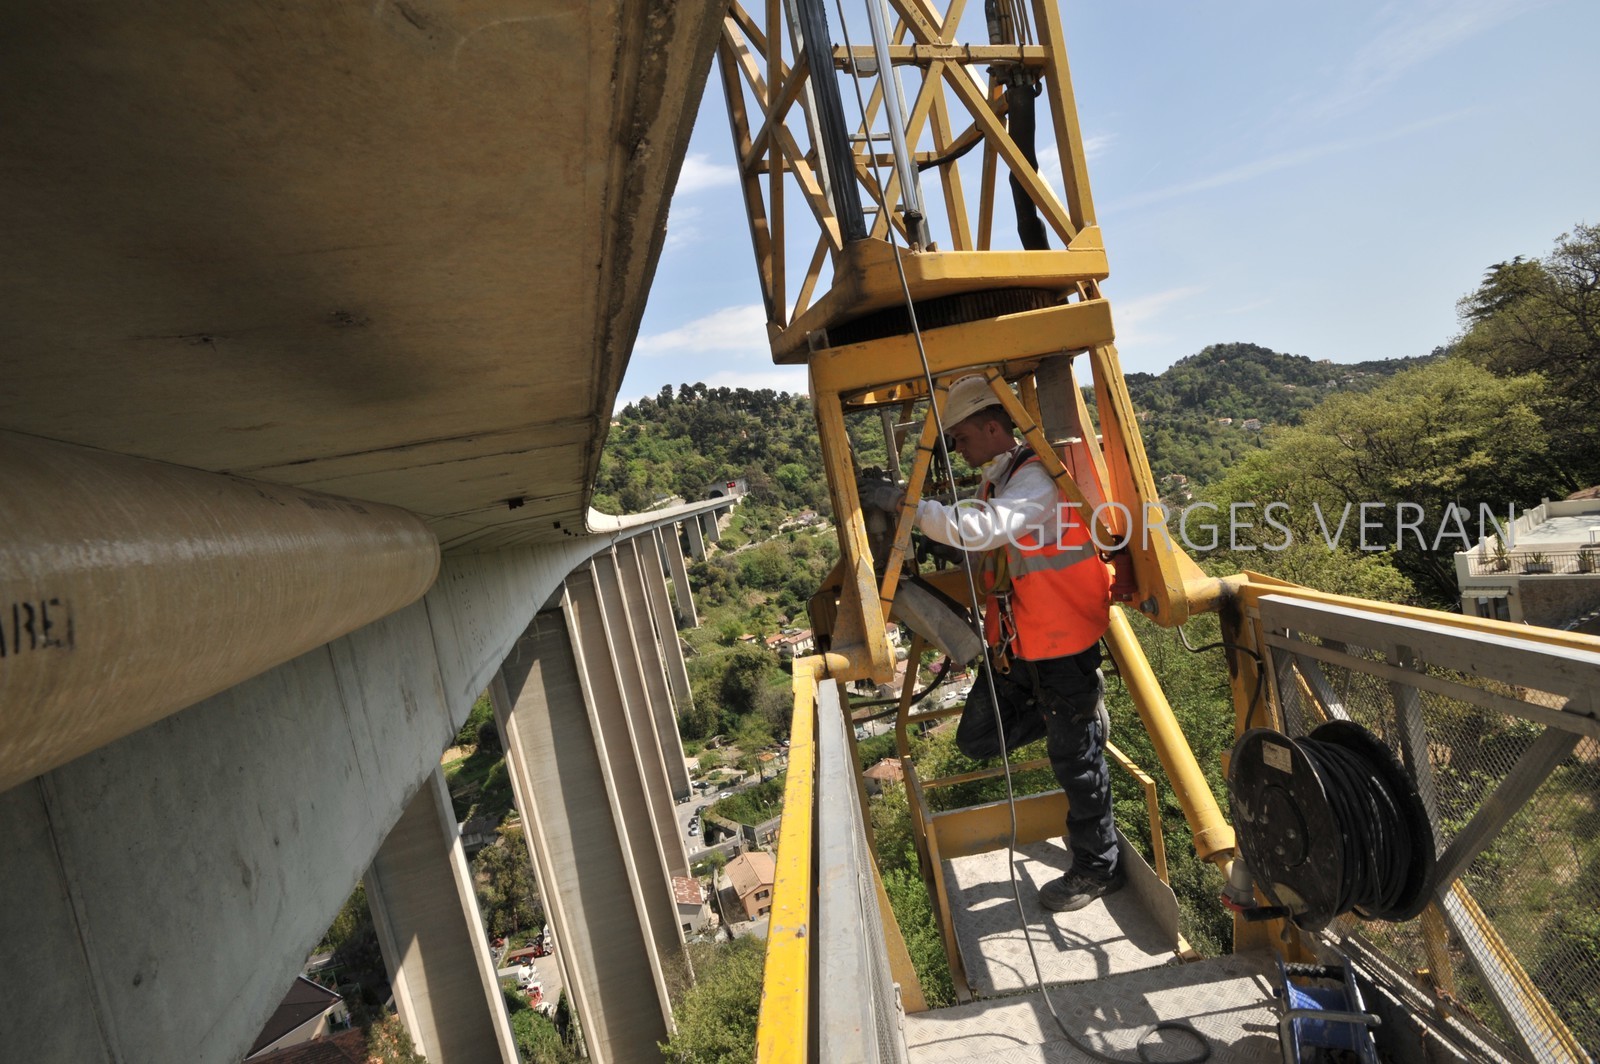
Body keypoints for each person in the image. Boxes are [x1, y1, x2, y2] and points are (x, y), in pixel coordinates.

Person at [863, 374, 1121, 911]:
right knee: (977, 738)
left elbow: (982, 531)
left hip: (1061, 645)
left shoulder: (1036, 480)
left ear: (991, 427)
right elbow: (993, 549)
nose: (957, 448)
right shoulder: (997, 484)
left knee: (1074, 762)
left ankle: (1098, 868)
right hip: (1019, 647)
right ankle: (1079, 721)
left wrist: (904, 504)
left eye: (961, 436)